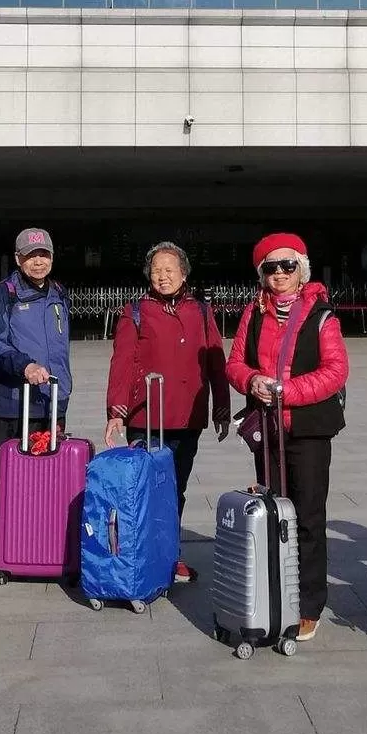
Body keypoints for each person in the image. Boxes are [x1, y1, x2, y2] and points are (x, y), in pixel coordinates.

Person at [225, 232, 348, 642]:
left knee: (308, 516)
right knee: (274, 511)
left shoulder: (321, 314)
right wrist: (253, 380)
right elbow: (235, 364)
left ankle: (309, 603)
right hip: (269, 427)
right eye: (270, 267)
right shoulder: (253, 312)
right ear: (261, 273)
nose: (279, 274)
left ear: (302, 269)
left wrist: (286, 391)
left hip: (309, 427)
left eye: (287, 265)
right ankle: (275, 591)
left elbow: (335, 371)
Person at [103, 241, 231, 584]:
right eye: (156, 270)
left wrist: (221, 405)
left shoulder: (201, 311)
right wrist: (117, 410)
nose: (162, 276)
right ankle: (139, 556)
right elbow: (123, 362)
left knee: (176, 489)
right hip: (146, 417)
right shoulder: (136, 311)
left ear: (184, 273)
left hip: (187, 416)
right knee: (143, 491)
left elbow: (216, 360)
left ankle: (171, 557)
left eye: (169, 270)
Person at [0, 226, 72, 461]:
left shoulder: (59, 292)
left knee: (51, 475)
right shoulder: (5, 293)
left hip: (53, 399)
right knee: (16, 477)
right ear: (18, 259)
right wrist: (25, 366)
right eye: (30, 255)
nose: (38, 261)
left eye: (44, 254)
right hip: (16, 403)